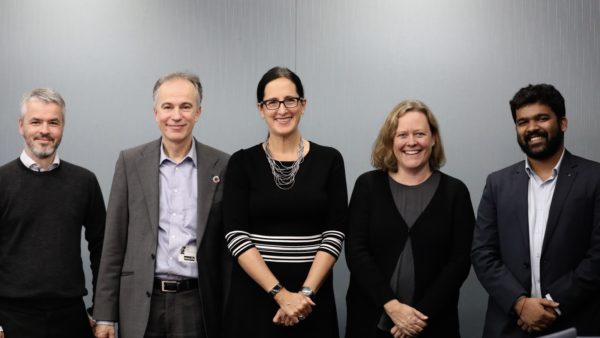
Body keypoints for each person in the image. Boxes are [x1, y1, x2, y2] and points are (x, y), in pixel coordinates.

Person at [93, 72, 229, 338]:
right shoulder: (130, 162)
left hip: (198, 304)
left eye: (185, 106)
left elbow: (227, 252)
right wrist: (105, 316)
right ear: (156, 113)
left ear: (198, 112)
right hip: (142, 303)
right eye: (167, 107)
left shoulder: (222, 165)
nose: (176, 116)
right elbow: (113, 243)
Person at [222, 66, 348, 337]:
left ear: (303, 105)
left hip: (312, 301)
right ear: (260, 109)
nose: (282, 109)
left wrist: (303, 296)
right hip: (254, 298)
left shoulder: (330, 160)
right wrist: (280, 294)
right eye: (272, 102)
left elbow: (335, 233)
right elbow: (235, 235)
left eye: (290, 100)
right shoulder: (241, 163)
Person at [471, 84, 600, 337]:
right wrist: (519, 304)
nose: (532, 128)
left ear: (562, 123)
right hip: (509, 325)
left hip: (576, 322)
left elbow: (598, 256)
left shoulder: (594, 178)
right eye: (522, 122)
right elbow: (482, 252)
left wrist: (553, 305)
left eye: (542, 118)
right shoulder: (497, 183)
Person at [345, 100, 475, 338]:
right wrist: (392, 307)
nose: (411, 142)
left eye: (420, 134)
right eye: (402, 134)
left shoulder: (455, 192)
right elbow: (356, 252)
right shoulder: (368, 186)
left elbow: (460, 261)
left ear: (433, 138)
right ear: (390, 140)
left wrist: (417, 317)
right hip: (369, 322)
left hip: (433, 324)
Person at [0, 88, 106, 338]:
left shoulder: (84, 182)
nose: (44, 130)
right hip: (11, 319)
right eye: (35, 121)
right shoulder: (1, 182)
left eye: (53, 122)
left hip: (71, 318)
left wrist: (100, 311)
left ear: (62, 127)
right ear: (21, 126)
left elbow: (102, 249)